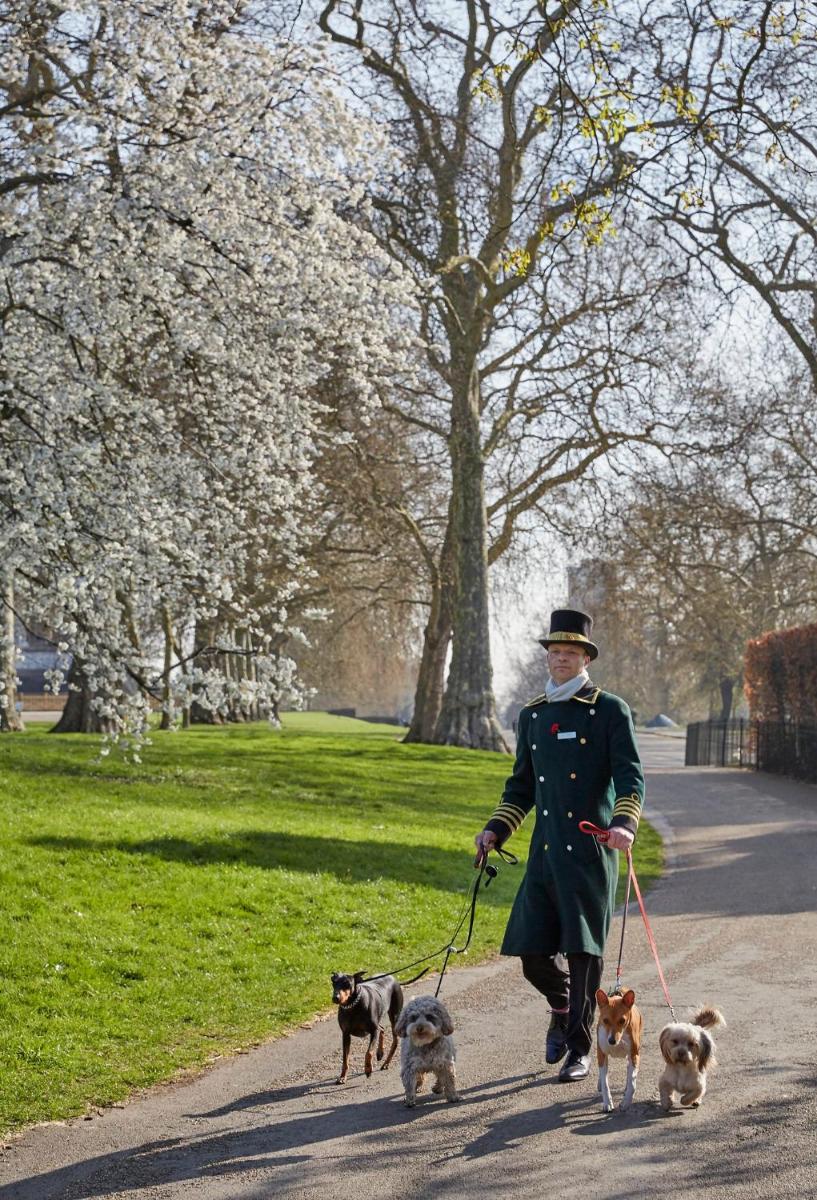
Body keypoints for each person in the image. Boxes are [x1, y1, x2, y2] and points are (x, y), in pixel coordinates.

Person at [474, 608, 644, 1082]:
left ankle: (580, 1049)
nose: (561, 658)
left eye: (570, 652)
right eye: (555, 651)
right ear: (547, 657)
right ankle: (563, 1006)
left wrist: (624, 824)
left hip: (589, 854)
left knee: (584, 956)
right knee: (531, 953)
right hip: (545, 855)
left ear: (586, 658)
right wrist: (495, 829)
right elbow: (521, 786)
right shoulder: (532, 715)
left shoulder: (609, 710)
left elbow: (630, 777)